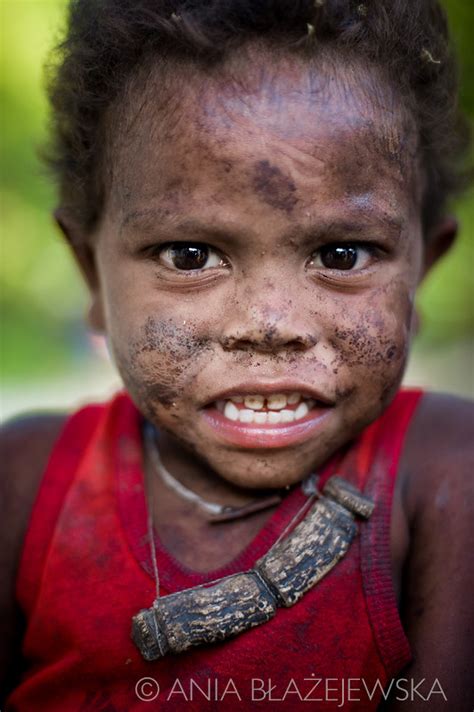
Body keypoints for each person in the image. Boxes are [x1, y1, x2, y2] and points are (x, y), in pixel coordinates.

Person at [1, 1, 473, 709]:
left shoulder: (444, 475)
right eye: (190, 256)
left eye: (340, 254)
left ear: (421, 269)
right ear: (91, 272)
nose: (270, 324)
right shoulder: (28, 484)